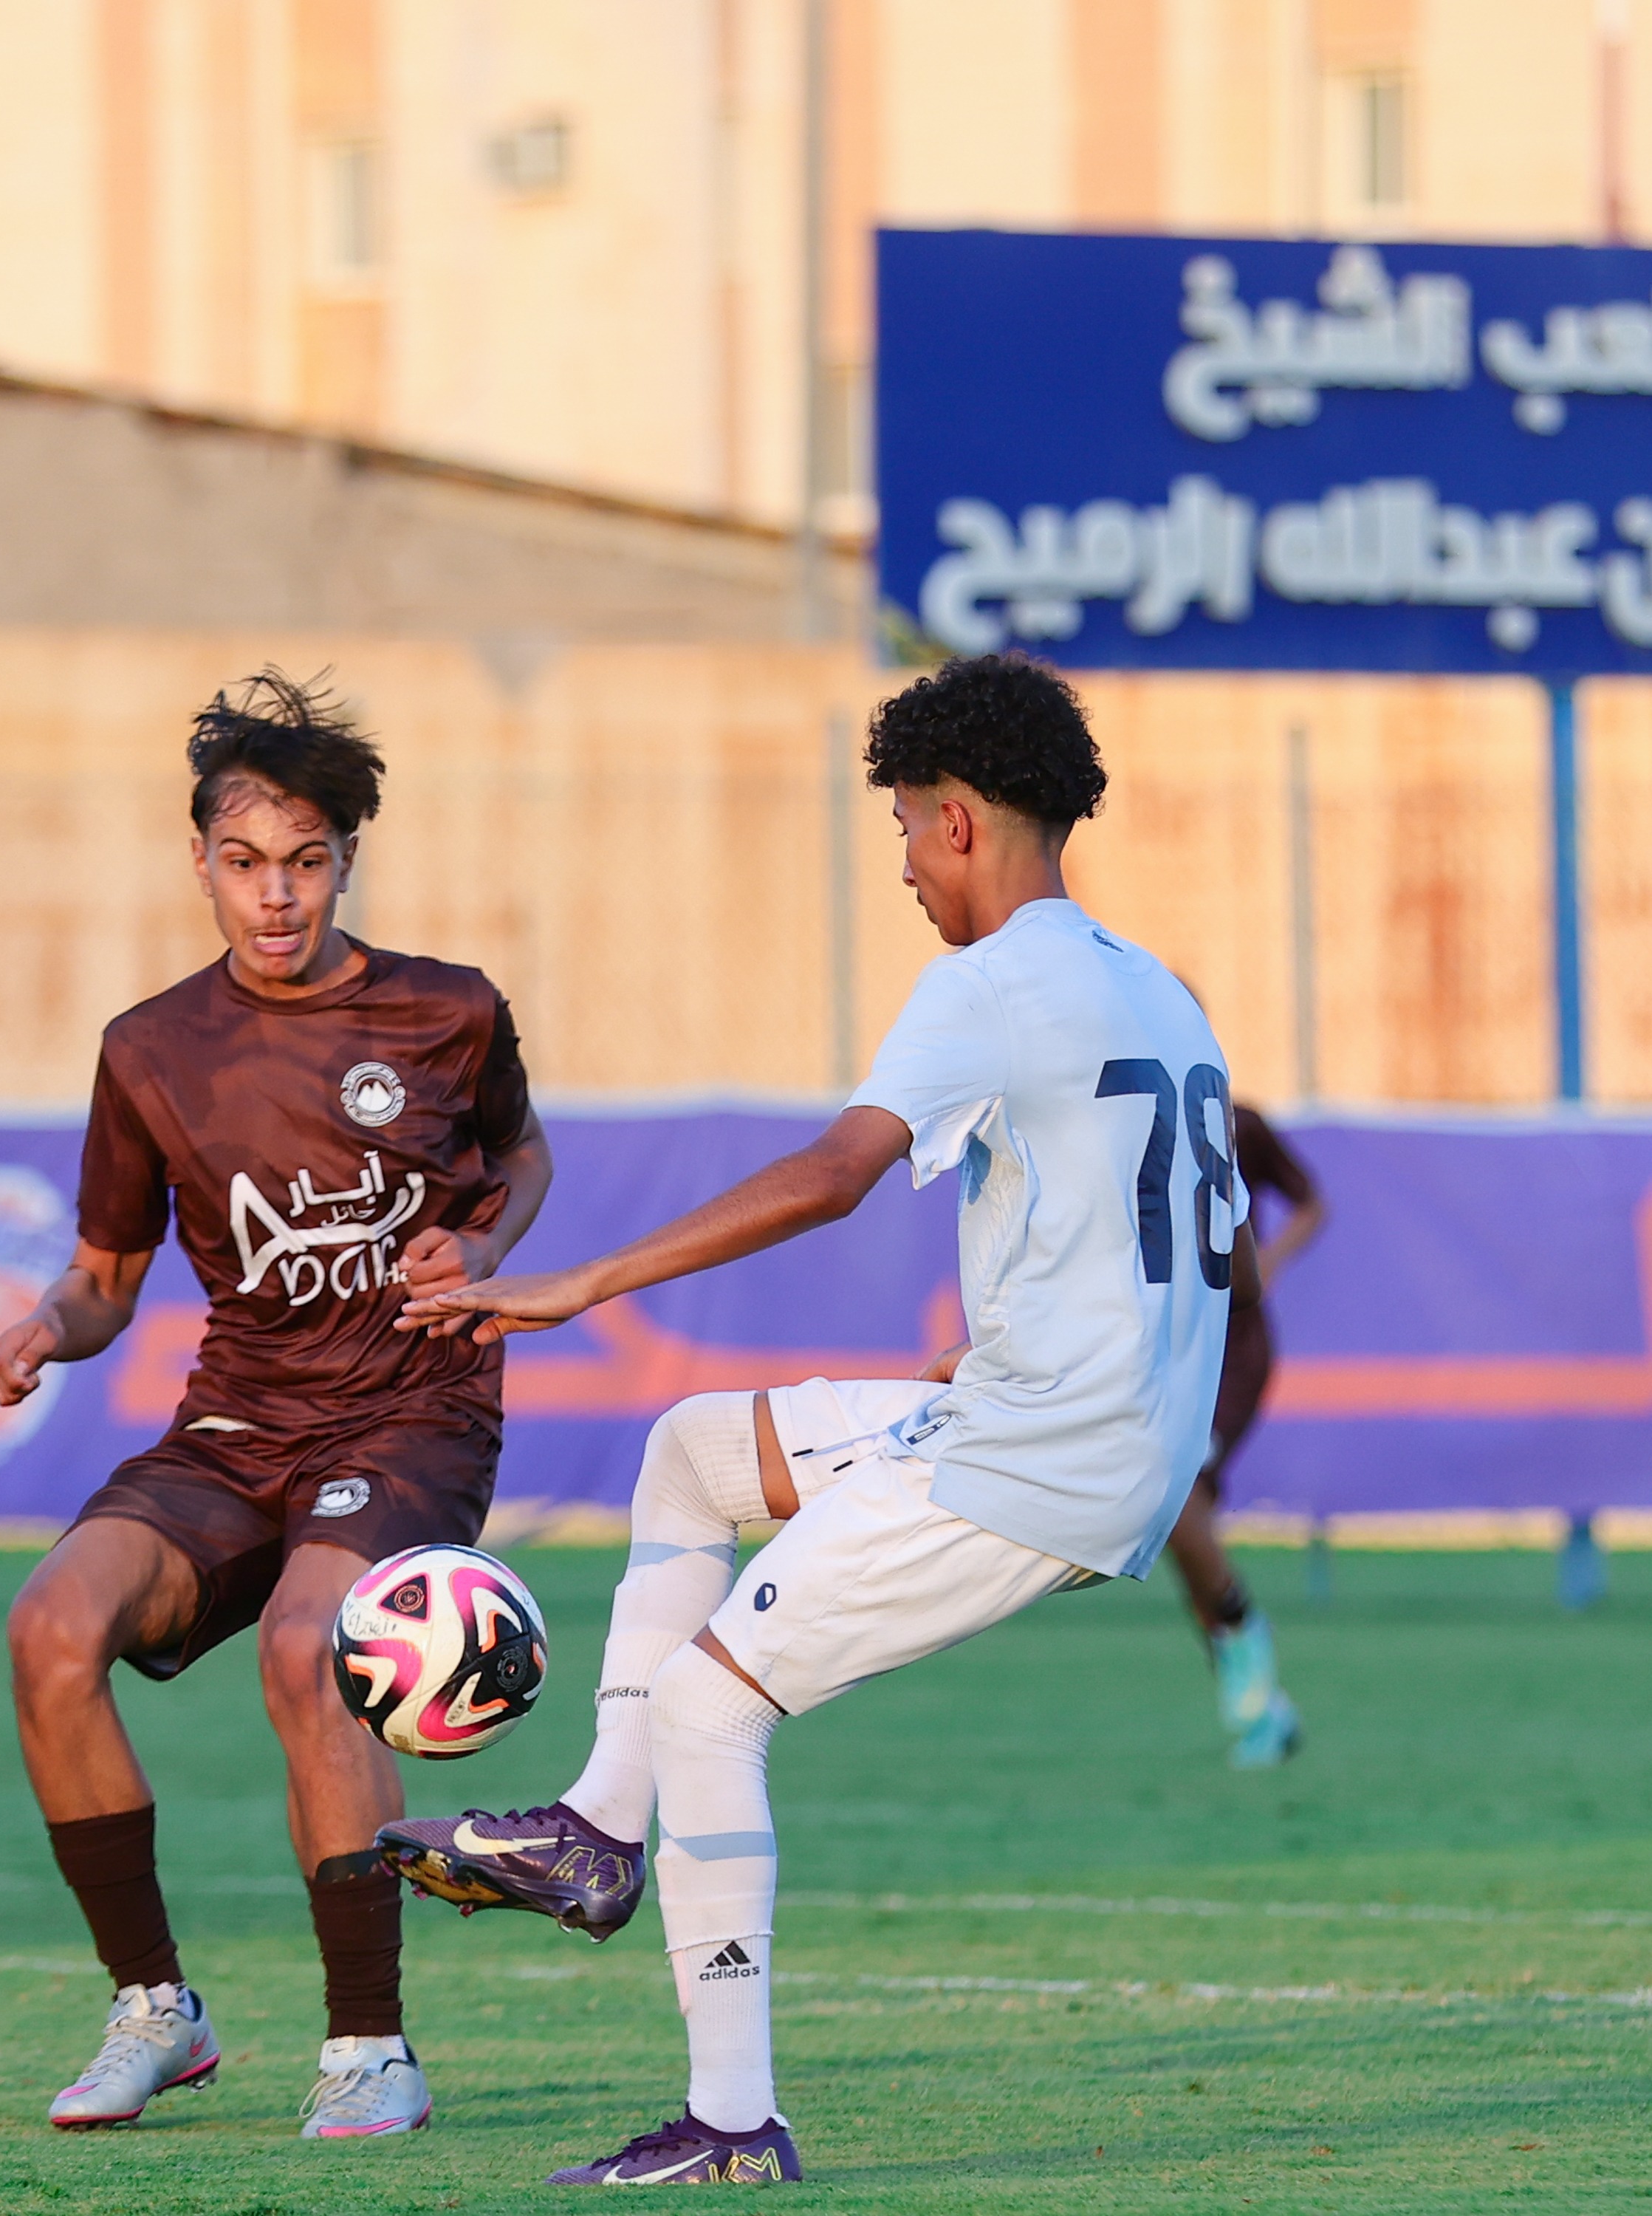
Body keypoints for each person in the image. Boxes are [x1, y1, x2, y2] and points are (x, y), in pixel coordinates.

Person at [378, 653, 1260, 2186]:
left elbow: (834, 1171)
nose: (909, 866)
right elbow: (1177, 1245)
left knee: (713, 1711)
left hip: (1036, 1459)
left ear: (966, 818)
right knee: (699, 1452)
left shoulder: (988, 984)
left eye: (912, 830)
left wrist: (576, 1282)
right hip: (1083, 1429)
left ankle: (732, 2123)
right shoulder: (1157, 988)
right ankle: (595, 1827)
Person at [0, 670, 552, 2137]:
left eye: (304, 862)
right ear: (202, 865)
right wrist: (51, 1325)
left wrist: (481, 1248)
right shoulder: (148, 1051)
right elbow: (107, 1274)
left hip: (415, 1414)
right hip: (240, 1422)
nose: (276, 895)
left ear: (345, 860)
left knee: (310, 1650)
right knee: (51, 1629)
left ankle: (371, 2050)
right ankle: (155, 2013)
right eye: (245, 863)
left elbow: (522, 1162)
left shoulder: (447, 1011)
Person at [1162, 1104, 1324, 1767]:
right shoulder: (1112, 1116)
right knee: (1165, 1515)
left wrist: (1274, 1258)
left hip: (1232, 1350)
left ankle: (1249, 1661)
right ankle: (1258, 1694)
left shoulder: (1233, 1122)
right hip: (1165, 1347)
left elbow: (1311, 1203)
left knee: (1176, 1502)